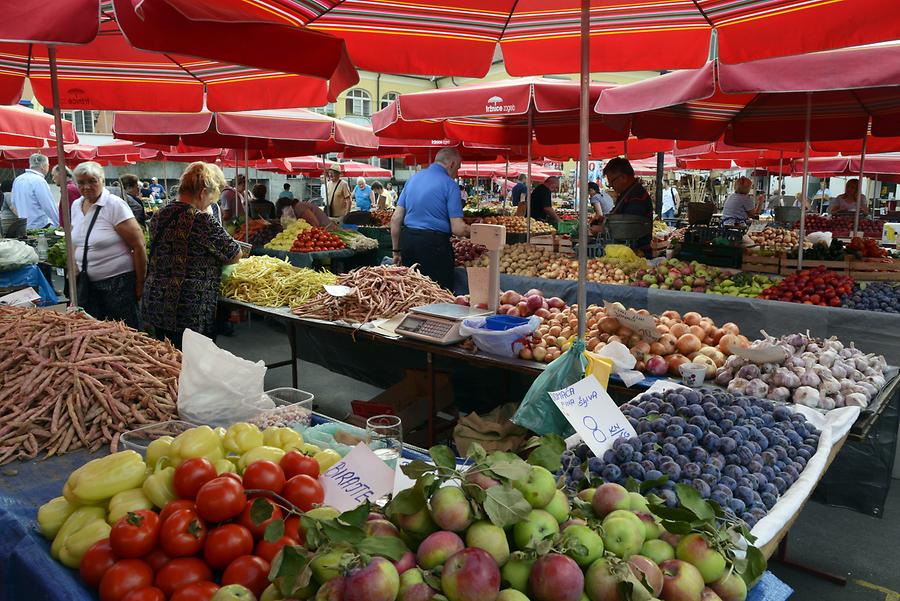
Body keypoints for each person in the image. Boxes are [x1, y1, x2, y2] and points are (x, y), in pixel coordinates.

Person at [143, 162, 242, 349]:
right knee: (193, 365)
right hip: (188, 309)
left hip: (157, 302)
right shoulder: (200, 219)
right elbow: (234, 253)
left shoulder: (160, 215)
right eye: (212, 197)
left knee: (168, 362)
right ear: (203, 192)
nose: (211, 203)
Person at [70, 162, 147, 328]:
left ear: (102, 181)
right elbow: (76, 241)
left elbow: (139, 245)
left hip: (119, 285)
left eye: (92, 181)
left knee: (125, 333)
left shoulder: (114, 205)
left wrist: (140, 284)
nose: (86, 187)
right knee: (95, 334)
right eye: (81, 183)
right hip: (88, 286)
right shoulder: (76, 205)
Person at [391, 147, 468, 290]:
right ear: (451, 164)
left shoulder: (412, 179)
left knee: (411, 291)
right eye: (457, 168)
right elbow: (457, 229)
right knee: (438, 293)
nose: (457, 173)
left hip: (409, 241)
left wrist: (396, 251)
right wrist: (475, 230)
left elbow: (396, 218)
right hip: (434, 246)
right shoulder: (450, 185)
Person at [11, 153, 59, 229]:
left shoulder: (18, 180)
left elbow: (13, 205)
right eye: (48, 165)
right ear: (43, 166)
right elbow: (48, 206)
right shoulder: (39, 181)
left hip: (23, 227)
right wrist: (59, 223)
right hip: (40, 227)